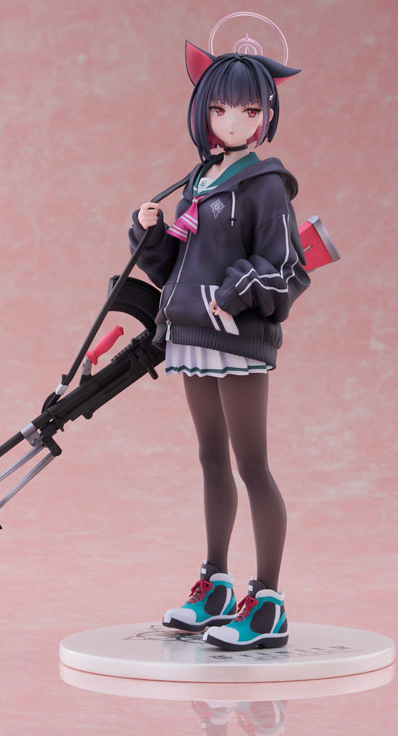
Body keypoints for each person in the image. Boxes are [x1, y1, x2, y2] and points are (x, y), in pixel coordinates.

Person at [128, 39, 311, 651]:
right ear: (204, 110)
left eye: (249, 111)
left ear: (266, 114)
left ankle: (269, 601)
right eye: (221, 109)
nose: (234, 122)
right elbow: (177, 265)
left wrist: (233, 293)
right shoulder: (199, 180)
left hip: (237, 336)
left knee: (252, 463)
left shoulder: (266, 184)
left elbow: (283, 265)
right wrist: (149, 234)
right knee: (211, 458)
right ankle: (216, 583)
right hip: (190, 331)